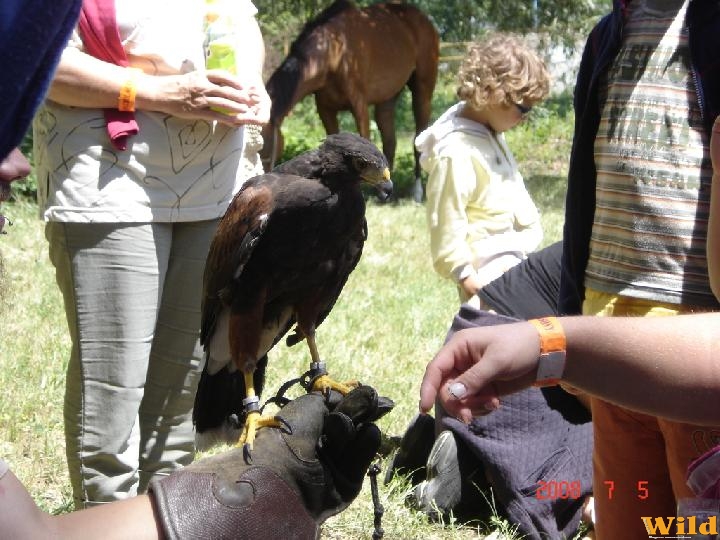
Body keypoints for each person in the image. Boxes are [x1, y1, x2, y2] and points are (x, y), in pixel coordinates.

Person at [31, 0, 271, 507]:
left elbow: (240, 21)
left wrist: (253, 84)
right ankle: (104, 520)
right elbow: (39, 59)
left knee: (182, 374)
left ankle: (163, 518)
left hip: (213, 183)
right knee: (114, 380)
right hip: (107, 176)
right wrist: (161, 92)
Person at [557, 1, 720, 537]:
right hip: (611, 322)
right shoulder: (608, 35)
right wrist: (573, 313)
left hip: (693, 342)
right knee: (627, 518)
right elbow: (583, 188)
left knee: (697, 520)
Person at [415, 33, 548, 304]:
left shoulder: (487, 129)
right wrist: (466, 277)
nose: (524, 119)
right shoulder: (455, 152)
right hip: (486, 274)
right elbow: (446, 220)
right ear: (492, 94)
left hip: (514, 261)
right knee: (493, 341)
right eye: (523, 109)